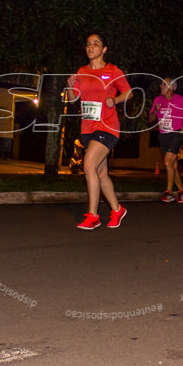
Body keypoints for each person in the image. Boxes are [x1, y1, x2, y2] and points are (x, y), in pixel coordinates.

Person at [67, 33, 132, 229]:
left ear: (104, 49)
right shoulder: (81, 71)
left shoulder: (113, 70)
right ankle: (117, 209)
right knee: (101, 173)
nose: (90, 47)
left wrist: (116, 100)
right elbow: (72, 99)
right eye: (88, 44)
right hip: (88, 127)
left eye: (95, 44)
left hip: (107, 126)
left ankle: (93, 215)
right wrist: (70, 86)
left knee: (88, 166)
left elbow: (129, 92)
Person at [149, 77, 183, 203]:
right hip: (163, 135)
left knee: (167, 162)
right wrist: (156, 111)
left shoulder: (180, 100)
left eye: (163, 85)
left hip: (176, 134)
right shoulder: (158, 100)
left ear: (170, 87)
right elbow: (150, 118)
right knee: (172, 166)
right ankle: (182, 191)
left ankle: (168, 192)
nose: (160, 87)